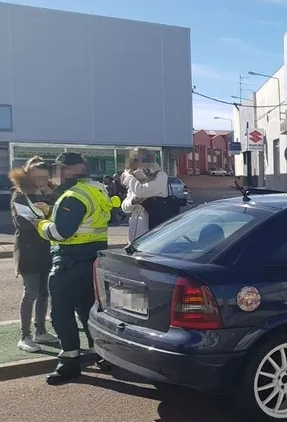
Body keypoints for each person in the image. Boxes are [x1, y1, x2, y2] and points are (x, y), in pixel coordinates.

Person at [32, 152, 118, 384]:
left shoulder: (73, 196)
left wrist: (40, 223)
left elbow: (61, 232)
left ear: (72, 169)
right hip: (92, 260)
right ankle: (101, 355)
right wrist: (52, 213)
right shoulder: (97, 189)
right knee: (89, 310)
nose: (56, 173)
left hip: (69, 261)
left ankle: (69, 363)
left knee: (61, 313)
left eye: (60, 168)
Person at [9, 157, 58, 352]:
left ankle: (41, 331)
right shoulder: (19, 195)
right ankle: (25, 336)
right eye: (37, 177)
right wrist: (44, 217)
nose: (41, 181)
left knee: (45, 293)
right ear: (28, 176)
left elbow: (60, 217)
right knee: (31, 293)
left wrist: (50, 198)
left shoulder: (50, 194)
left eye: (44, 177)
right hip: (28, 250)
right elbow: (22, 223)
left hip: (47, 249)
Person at [120, 148, 169, 242]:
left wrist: (128, 178)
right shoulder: (136, 179)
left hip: (152, 229)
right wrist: (132, 202)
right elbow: (125, 207)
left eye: (137, 160)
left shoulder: (160, 175)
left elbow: (142, 192)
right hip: (134, 232)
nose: (134, 164)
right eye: (133, 161)